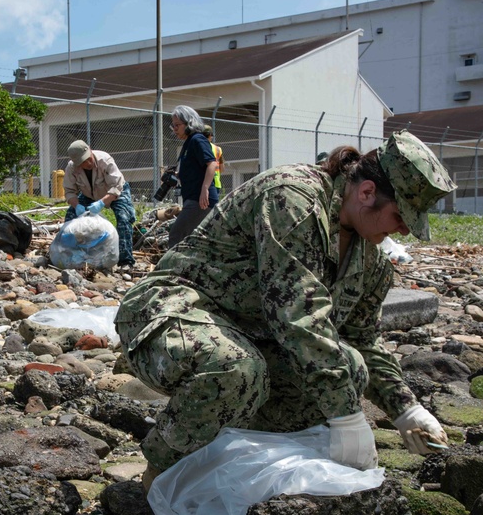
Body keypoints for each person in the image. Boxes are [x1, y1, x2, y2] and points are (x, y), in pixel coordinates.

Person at [115, 130, 456, 492]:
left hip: (253, 334)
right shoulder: (292, 197)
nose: (402, 230)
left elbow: (361, 340)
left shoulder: (369, 260)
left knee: (351, 366)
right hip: (173, 312)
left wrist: (406, 409)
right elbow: (298, 312)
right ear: (367, 192)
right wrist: (346, 417)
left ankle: (233, 460)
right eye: (400, 216)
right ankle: (162, 472)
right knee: (238, 368)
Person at [62, 139, 136, 268]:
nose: (88, 163)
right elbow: (69, 191)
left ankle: (126, 261)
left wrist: (101, 203)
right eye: (83, 162)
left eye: (89, 158)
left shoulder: (105, 160)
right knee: (70, 217)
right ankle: (70, 254)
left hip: (115, 191)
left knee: (124, 218)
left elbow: (116, 186)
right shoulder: (71, 168)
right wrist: (77, 206)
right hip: (88, 194)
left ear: (90, 150)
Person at [167, 106, 218, 248]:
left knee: (177, 235)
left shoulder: (197, 140)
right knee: (190, 239)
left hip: (200, 199)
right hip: (193, 198)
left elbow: (212, 164)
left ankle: (173, 269)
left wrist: (205, 189)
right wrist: (176, 175)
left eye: (177, 125)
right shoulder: (189, 143)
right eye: (173, 125)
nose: (174, 129)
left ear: (189, 123)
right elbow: (194, 170)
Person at [204, 125, 224, 192]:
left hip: (202, 182)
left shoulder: (198, 147)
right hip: (216, 183)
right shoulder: (218, 149)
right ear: (210, 135)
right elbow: (222, 168)